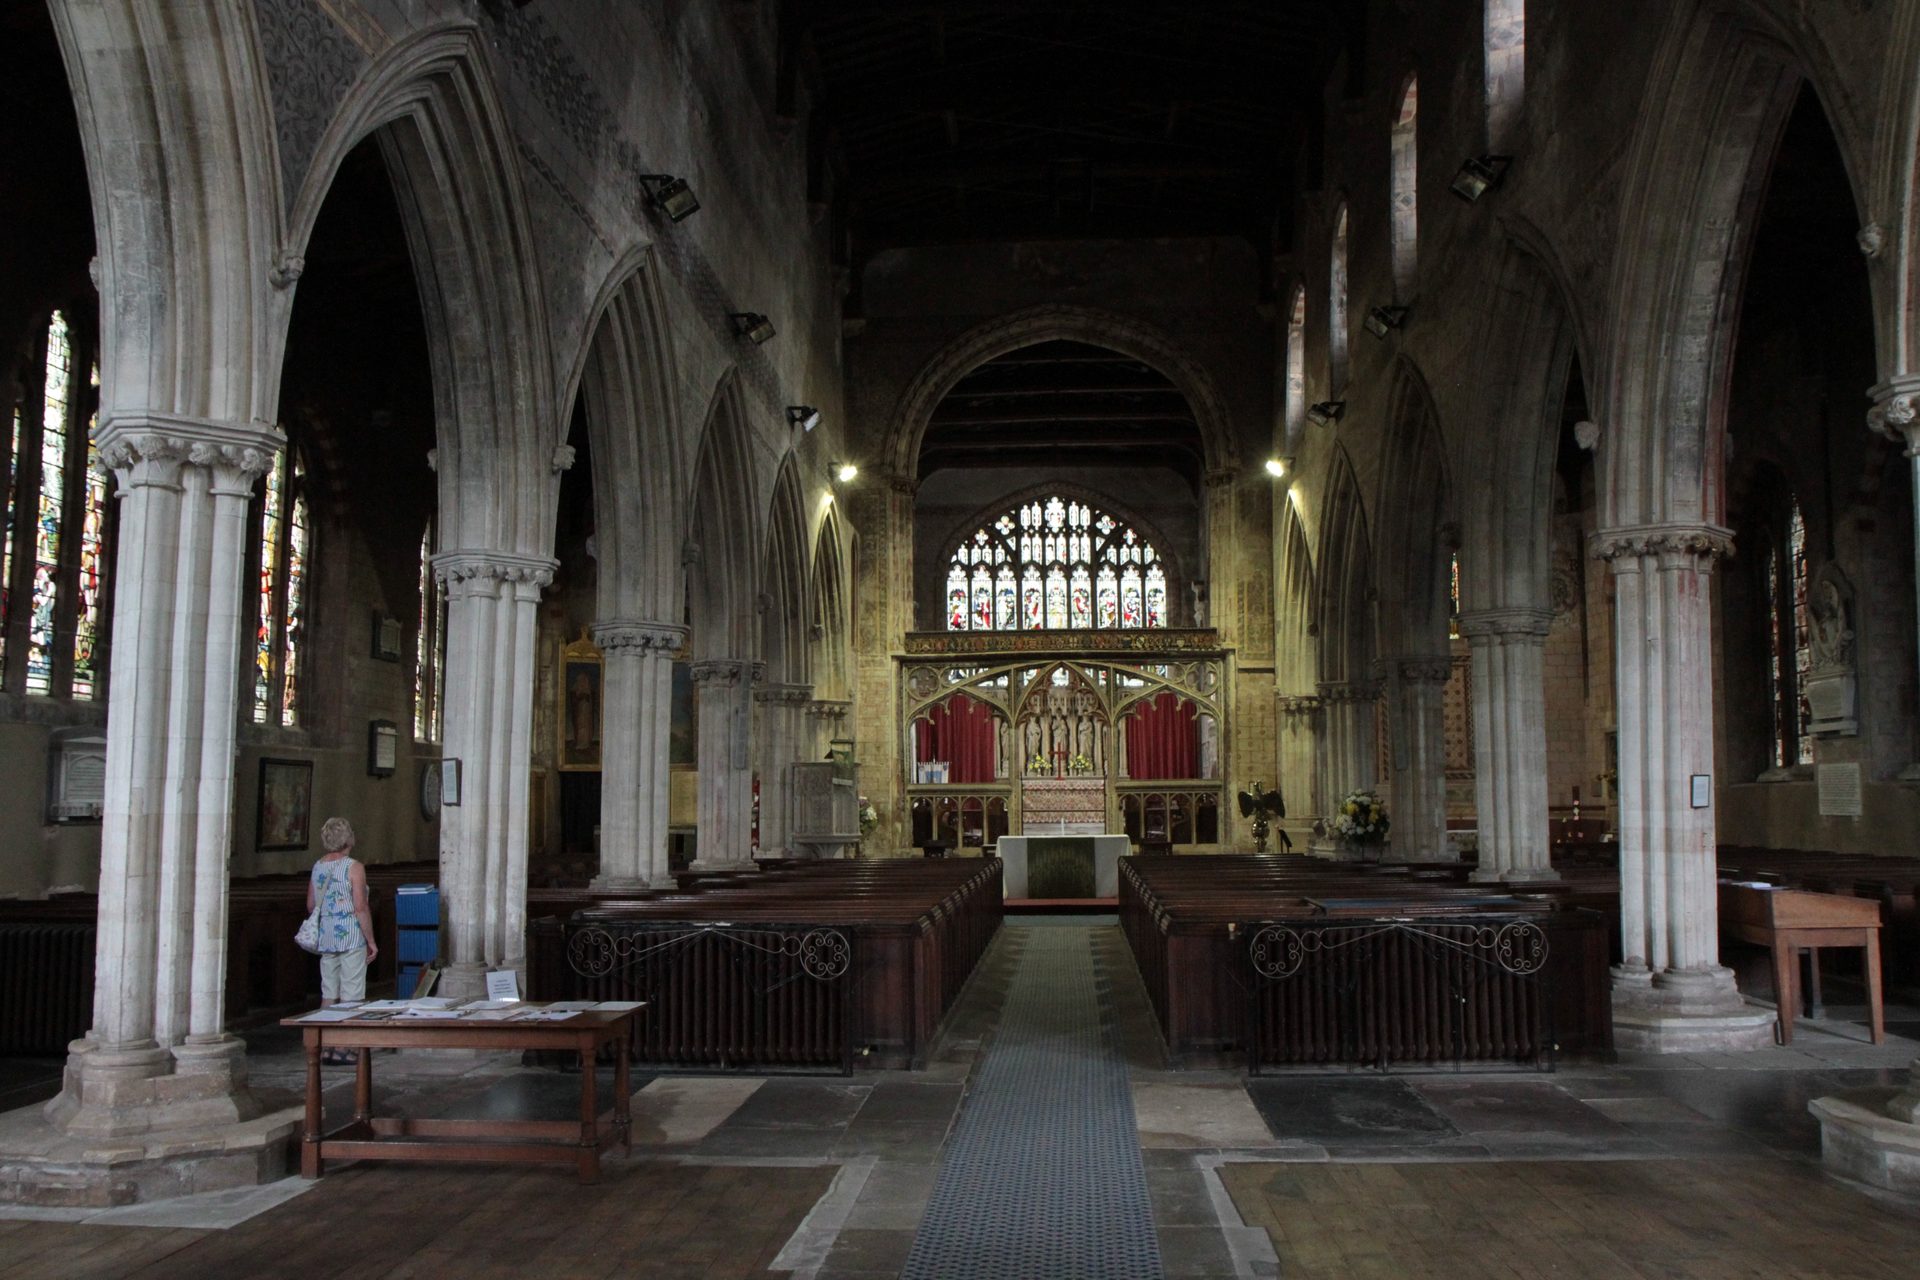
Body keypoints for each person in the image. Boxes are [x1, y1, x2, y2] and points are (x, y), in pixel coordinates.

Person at [309, 816, 379, 1064]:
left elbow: (310, 904)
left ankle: (325, 1045)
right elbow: (360, 906)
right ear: (348, 838)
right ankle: (344, 1046)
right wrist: (370, 939)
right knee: (352, 992)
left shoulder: (318, 867)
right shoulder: (353, 867)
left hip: (327, 936)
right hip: (350, 934)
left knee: (329, 991)